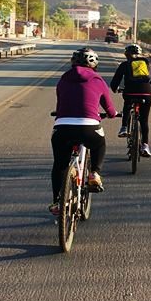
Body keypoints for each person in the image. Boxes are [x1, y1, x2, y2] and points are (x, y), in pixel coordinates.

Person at [49, 47, 117, 216]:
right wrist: (112, 114)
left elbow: (60, 103)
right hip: (89, 127)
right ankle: (94, 173)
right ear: (94, 64)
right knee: (99, 144)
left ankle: (58, 201)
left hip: (62, 127)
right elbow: (109, 107)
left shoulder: (63, 79)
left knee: (59, 165)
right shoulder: (98, 80)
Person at [110, 43, 151, 157]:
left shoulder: (125, 65)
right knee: (144, 120)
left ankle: (124, 128)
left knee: (127, 104)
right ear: (139, 54)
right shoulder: (147, 65)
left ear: (126, 54)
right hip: (146, 94)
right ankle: (145, 146)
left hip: (130, 92)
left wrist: (115, 89)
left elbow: (114, 82)